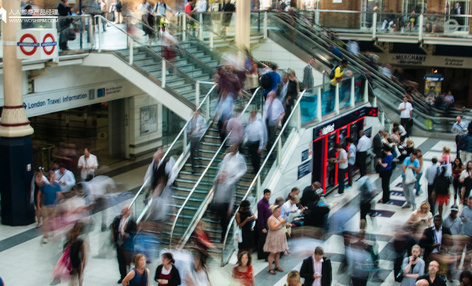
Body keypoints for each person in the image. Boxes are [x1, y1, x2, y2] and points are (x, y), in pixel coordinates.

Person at [112, 206, 138, 284]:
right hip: (119, 244)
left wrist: (126, 234)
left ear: (129, 212)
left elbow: (134, 233)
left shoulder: (132, 222)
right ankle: (122, 276)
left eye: (125, 211)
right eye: (123, 211)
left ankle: (129, 276)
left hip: (127, 246)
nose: (123, 212)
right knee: (120, 261)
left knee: (128, 262)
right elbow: (113, 228)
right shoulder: (118, 219)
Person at [39, 171, 62, 244]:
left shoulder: (57, 185)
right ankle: (45, 236)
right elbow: (39, 195)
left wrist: (57, 203)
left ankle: (53, 234)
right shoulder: (44, 185)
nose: (52, 178)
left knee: (53, 222)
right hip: (45, 206)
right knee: (45, 222)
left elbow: (59, 195)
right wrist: (39, 206)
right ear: (49, 177)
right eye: (51, 176)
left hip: (54, 206)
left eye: (54, 176)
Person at [264, 206, 288, 275]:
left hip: (280, 237)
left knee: (278, 252)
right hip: (274, 237)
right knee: (272, 252)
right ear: (274, 211)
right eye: (278, 212)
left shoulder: (279, 217)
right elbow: (273, 227)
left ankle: (277, 266)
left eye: (280, 212)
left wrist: (286, 223)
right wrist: (281, 223)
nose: (280, 213)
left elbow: (283, 224)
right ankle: (270, 268)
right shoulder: (271, 218)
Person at [245, 109, 266, 174]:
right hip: (250, 143)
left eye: (252, 114)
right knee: (252, 157)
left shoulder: (258, 124)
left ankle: (257, 171)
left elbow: (261, 135)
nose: (251, 116)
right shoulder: (249, 123)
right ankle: (254, 169)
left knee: (256, 158)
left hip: (256, 143)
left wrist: (260, 146)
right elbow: (247, 132)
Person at [187, 109, 206, 174]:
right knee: (192, 153)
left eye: (196, 113)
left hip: (198, 138)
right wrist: (190, 131)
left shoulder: (200, 120)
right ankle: (193, 168)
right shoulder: (190, 120)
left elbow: (203, 128)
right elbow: (187, 129)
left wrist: (198, 131)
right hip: (192, 138)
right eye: (194, 113)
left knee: (197, 151)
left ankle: (199, 162)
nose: (195, 114)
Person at [257, 189, 271, 260]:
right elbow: (260, 216)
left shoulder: (267, 202)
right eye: (267, 194)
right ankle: (261, 255)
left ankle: (264, 254)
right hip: (263, 224)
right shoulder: (261, 203)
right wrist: (263, 227)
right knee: (263, 240)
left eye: (269, 194)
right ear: (264, 194)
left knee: (265, 240)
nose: (268, 196)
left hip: (267, 223)